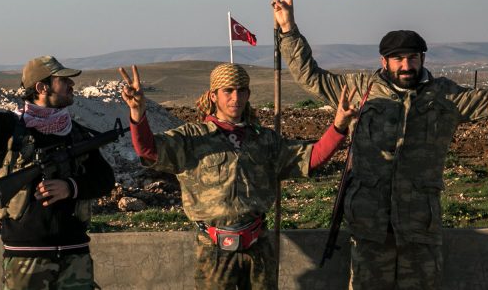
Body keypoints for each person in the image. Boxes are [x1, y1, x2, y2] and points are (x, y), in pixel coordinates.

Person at [271, 0, 488, 290]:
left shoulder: (443, 96)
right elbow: (310, 75)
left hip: (420, 228)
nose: (407, 65)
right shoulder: (359, 90)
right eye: (399, 59)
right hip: (369, 227)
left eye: (413, 58)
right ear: (384, 62)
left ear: (422, 59)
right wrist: (288, 29)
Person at [118, 62, 357, 289]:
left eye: (242, 90)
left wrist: (338, 127)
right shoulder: (192, 138)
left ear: (249, 94)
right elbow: (149, 150)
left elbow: (310, 157)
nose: (236, 97)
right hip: (214, 251)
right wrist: (138, 113)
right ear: (213, 96)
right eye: (228, 91)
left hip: (258, 248)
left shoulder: (264, 140)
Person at [0, 32, 114, 290]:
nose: (71, 85)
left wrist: (70, 187)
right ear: (42, 87)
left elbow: (105, 180)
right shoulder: (10, 129)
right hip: (25, 257)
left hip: (75, 256)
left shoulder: (77, 134)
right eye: (63, 81)